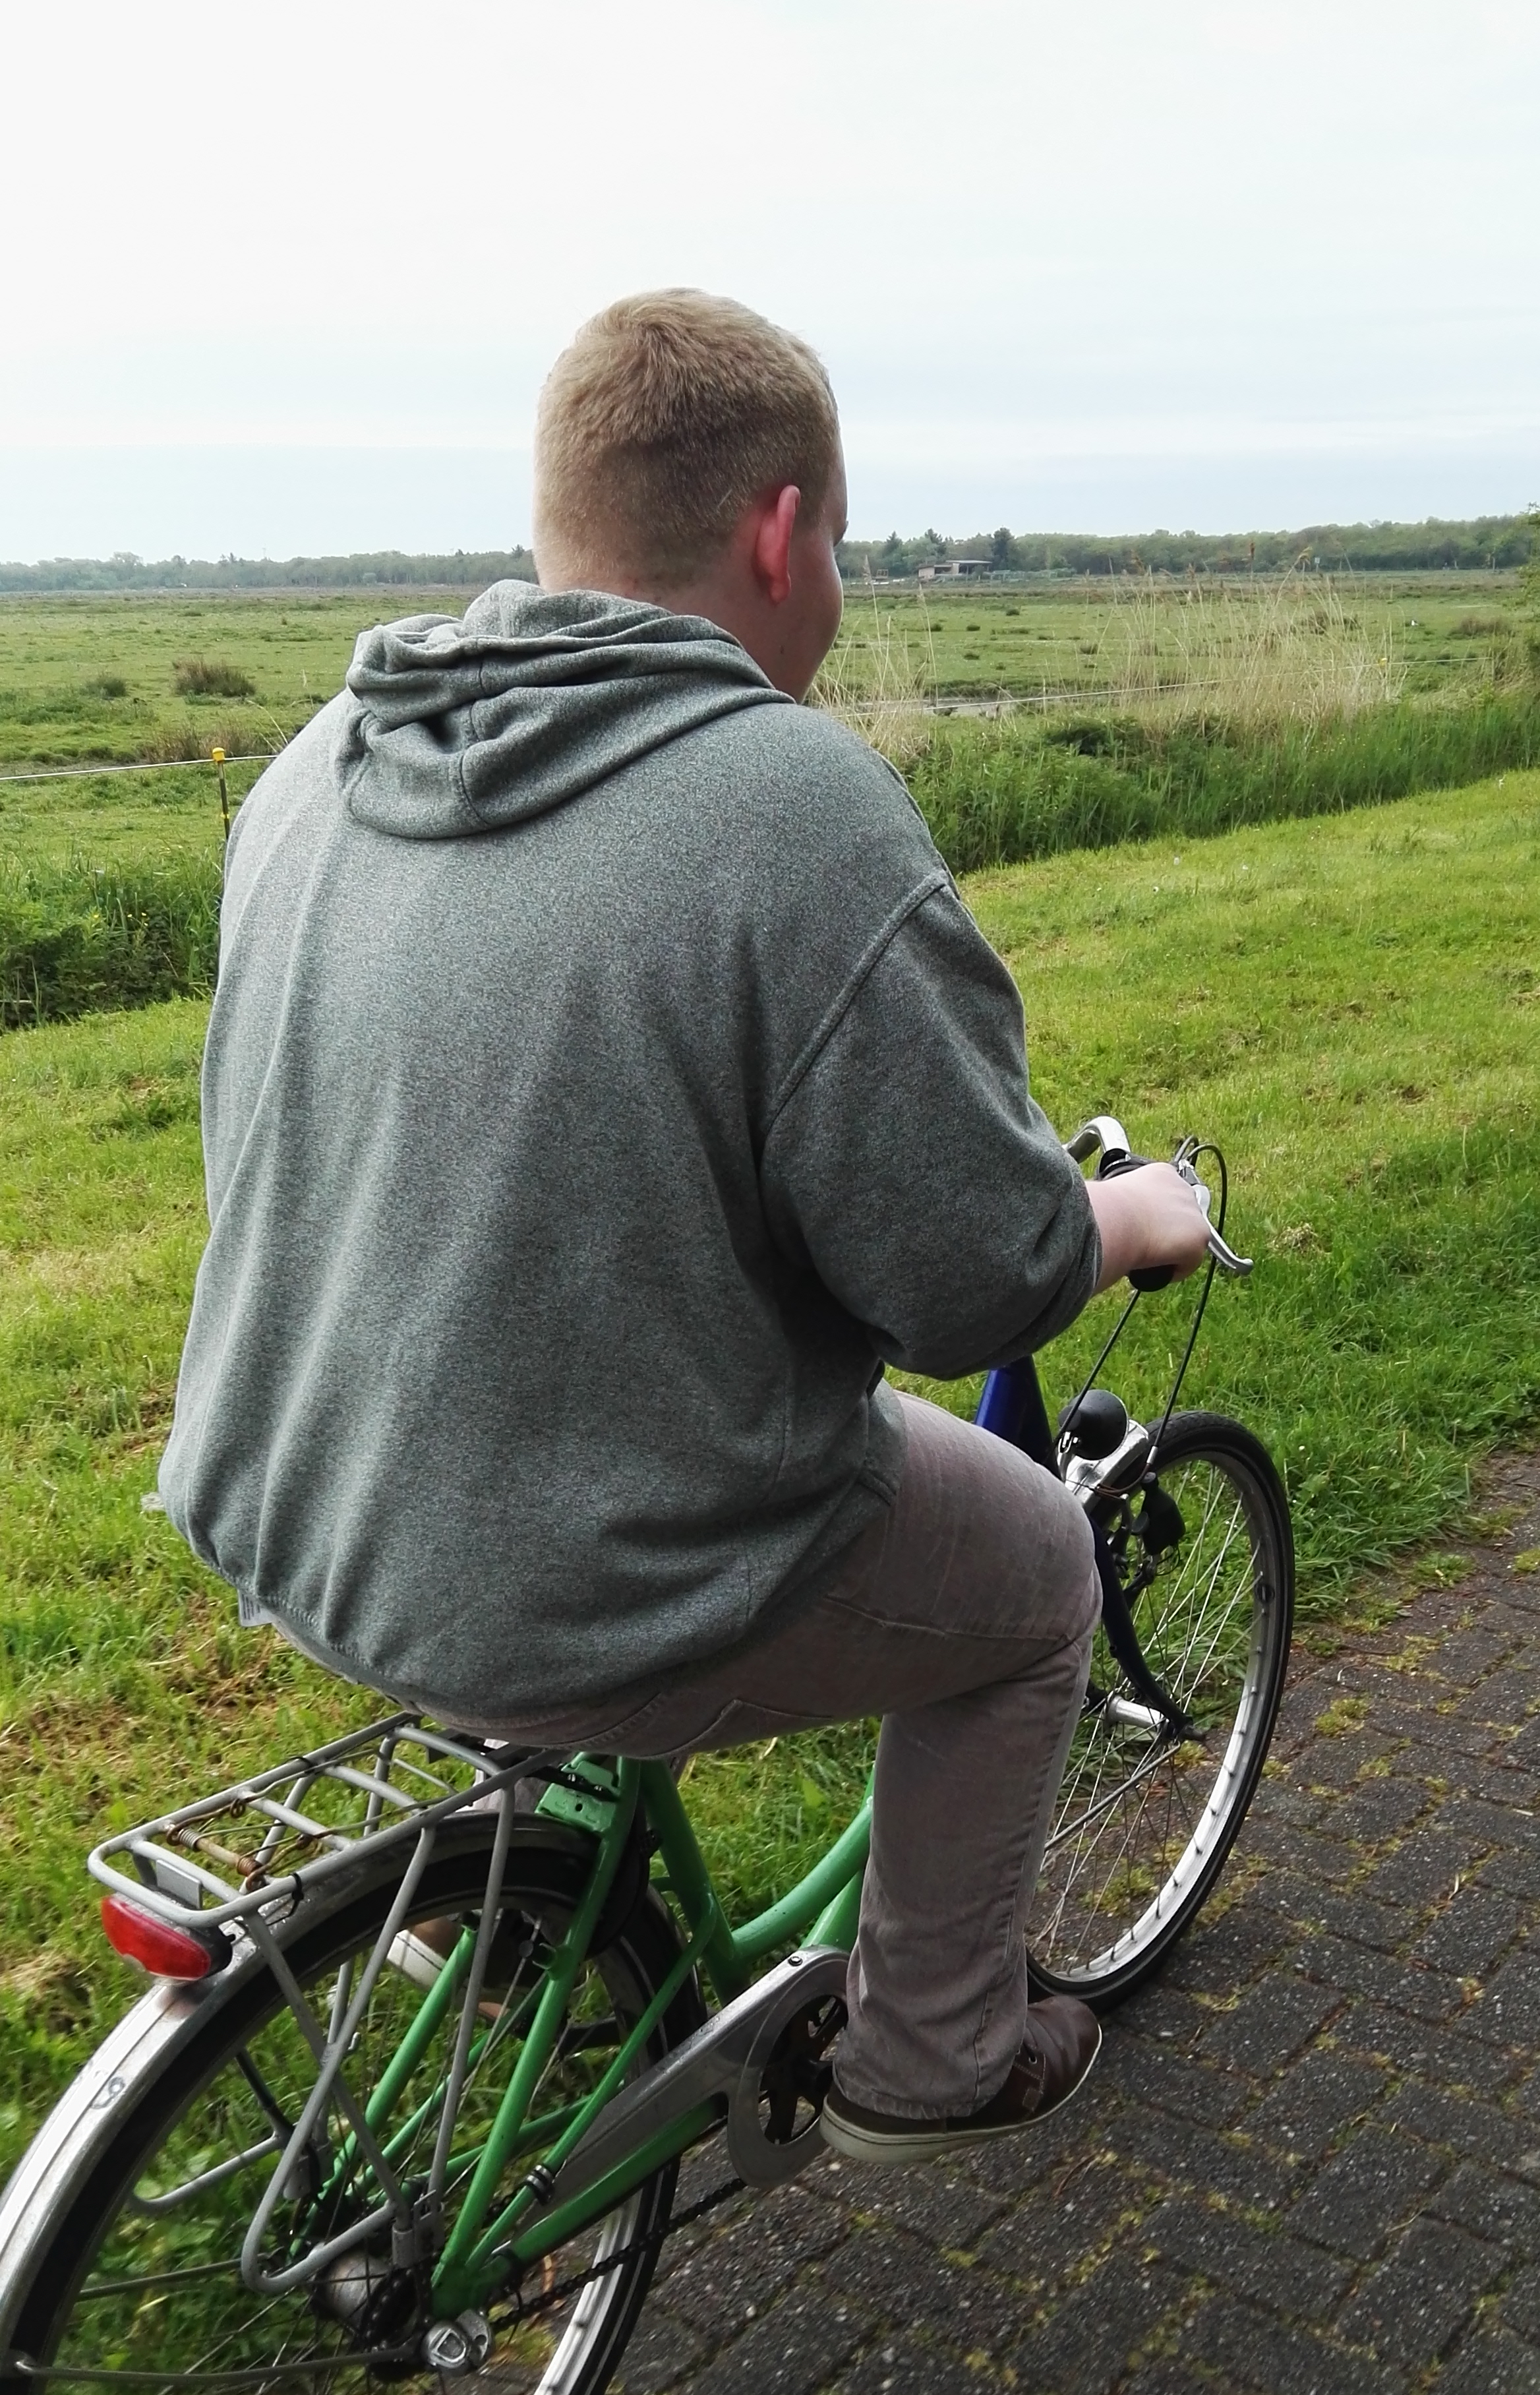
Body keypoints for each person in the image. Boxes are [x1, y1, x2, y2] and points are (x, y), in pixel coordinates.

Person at [158, 291, 1209, 2168]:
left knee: (589, 1433)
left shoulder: (321, 766)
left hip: (301, 1506)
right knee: (1042, 1574)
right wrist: (1120, 1220)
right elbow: (970, 1280)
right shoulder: (795, 808)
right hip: (568, 1568)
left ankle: (510, 1925)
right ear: (782, 532)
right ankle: (932, 2059)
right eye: (844, 547)